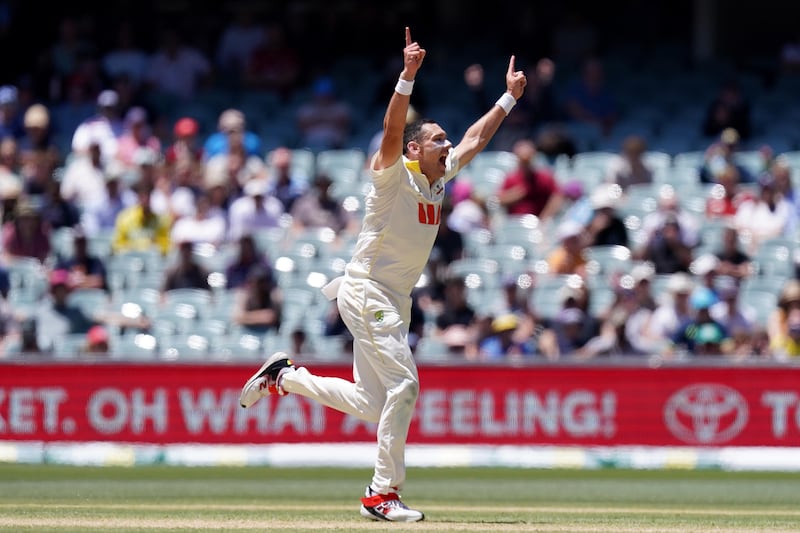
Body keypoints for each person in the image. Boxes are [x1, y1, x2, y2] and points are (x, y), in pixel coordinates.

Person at [238, 27, 527, 523]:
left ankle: (285, 379)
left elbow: (477, 138)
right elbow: (393, 132)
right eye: (438, 140)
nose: (448, 145)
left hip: (394, 299)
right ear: (415, 151)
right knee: (405, 387)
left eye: (445, 140)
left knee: (374, 403)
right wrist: (407, 77)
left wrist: (507, 98)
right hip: (366, 289)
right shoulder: (395, 174)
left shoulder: (438, 179)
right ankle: (381, 491)